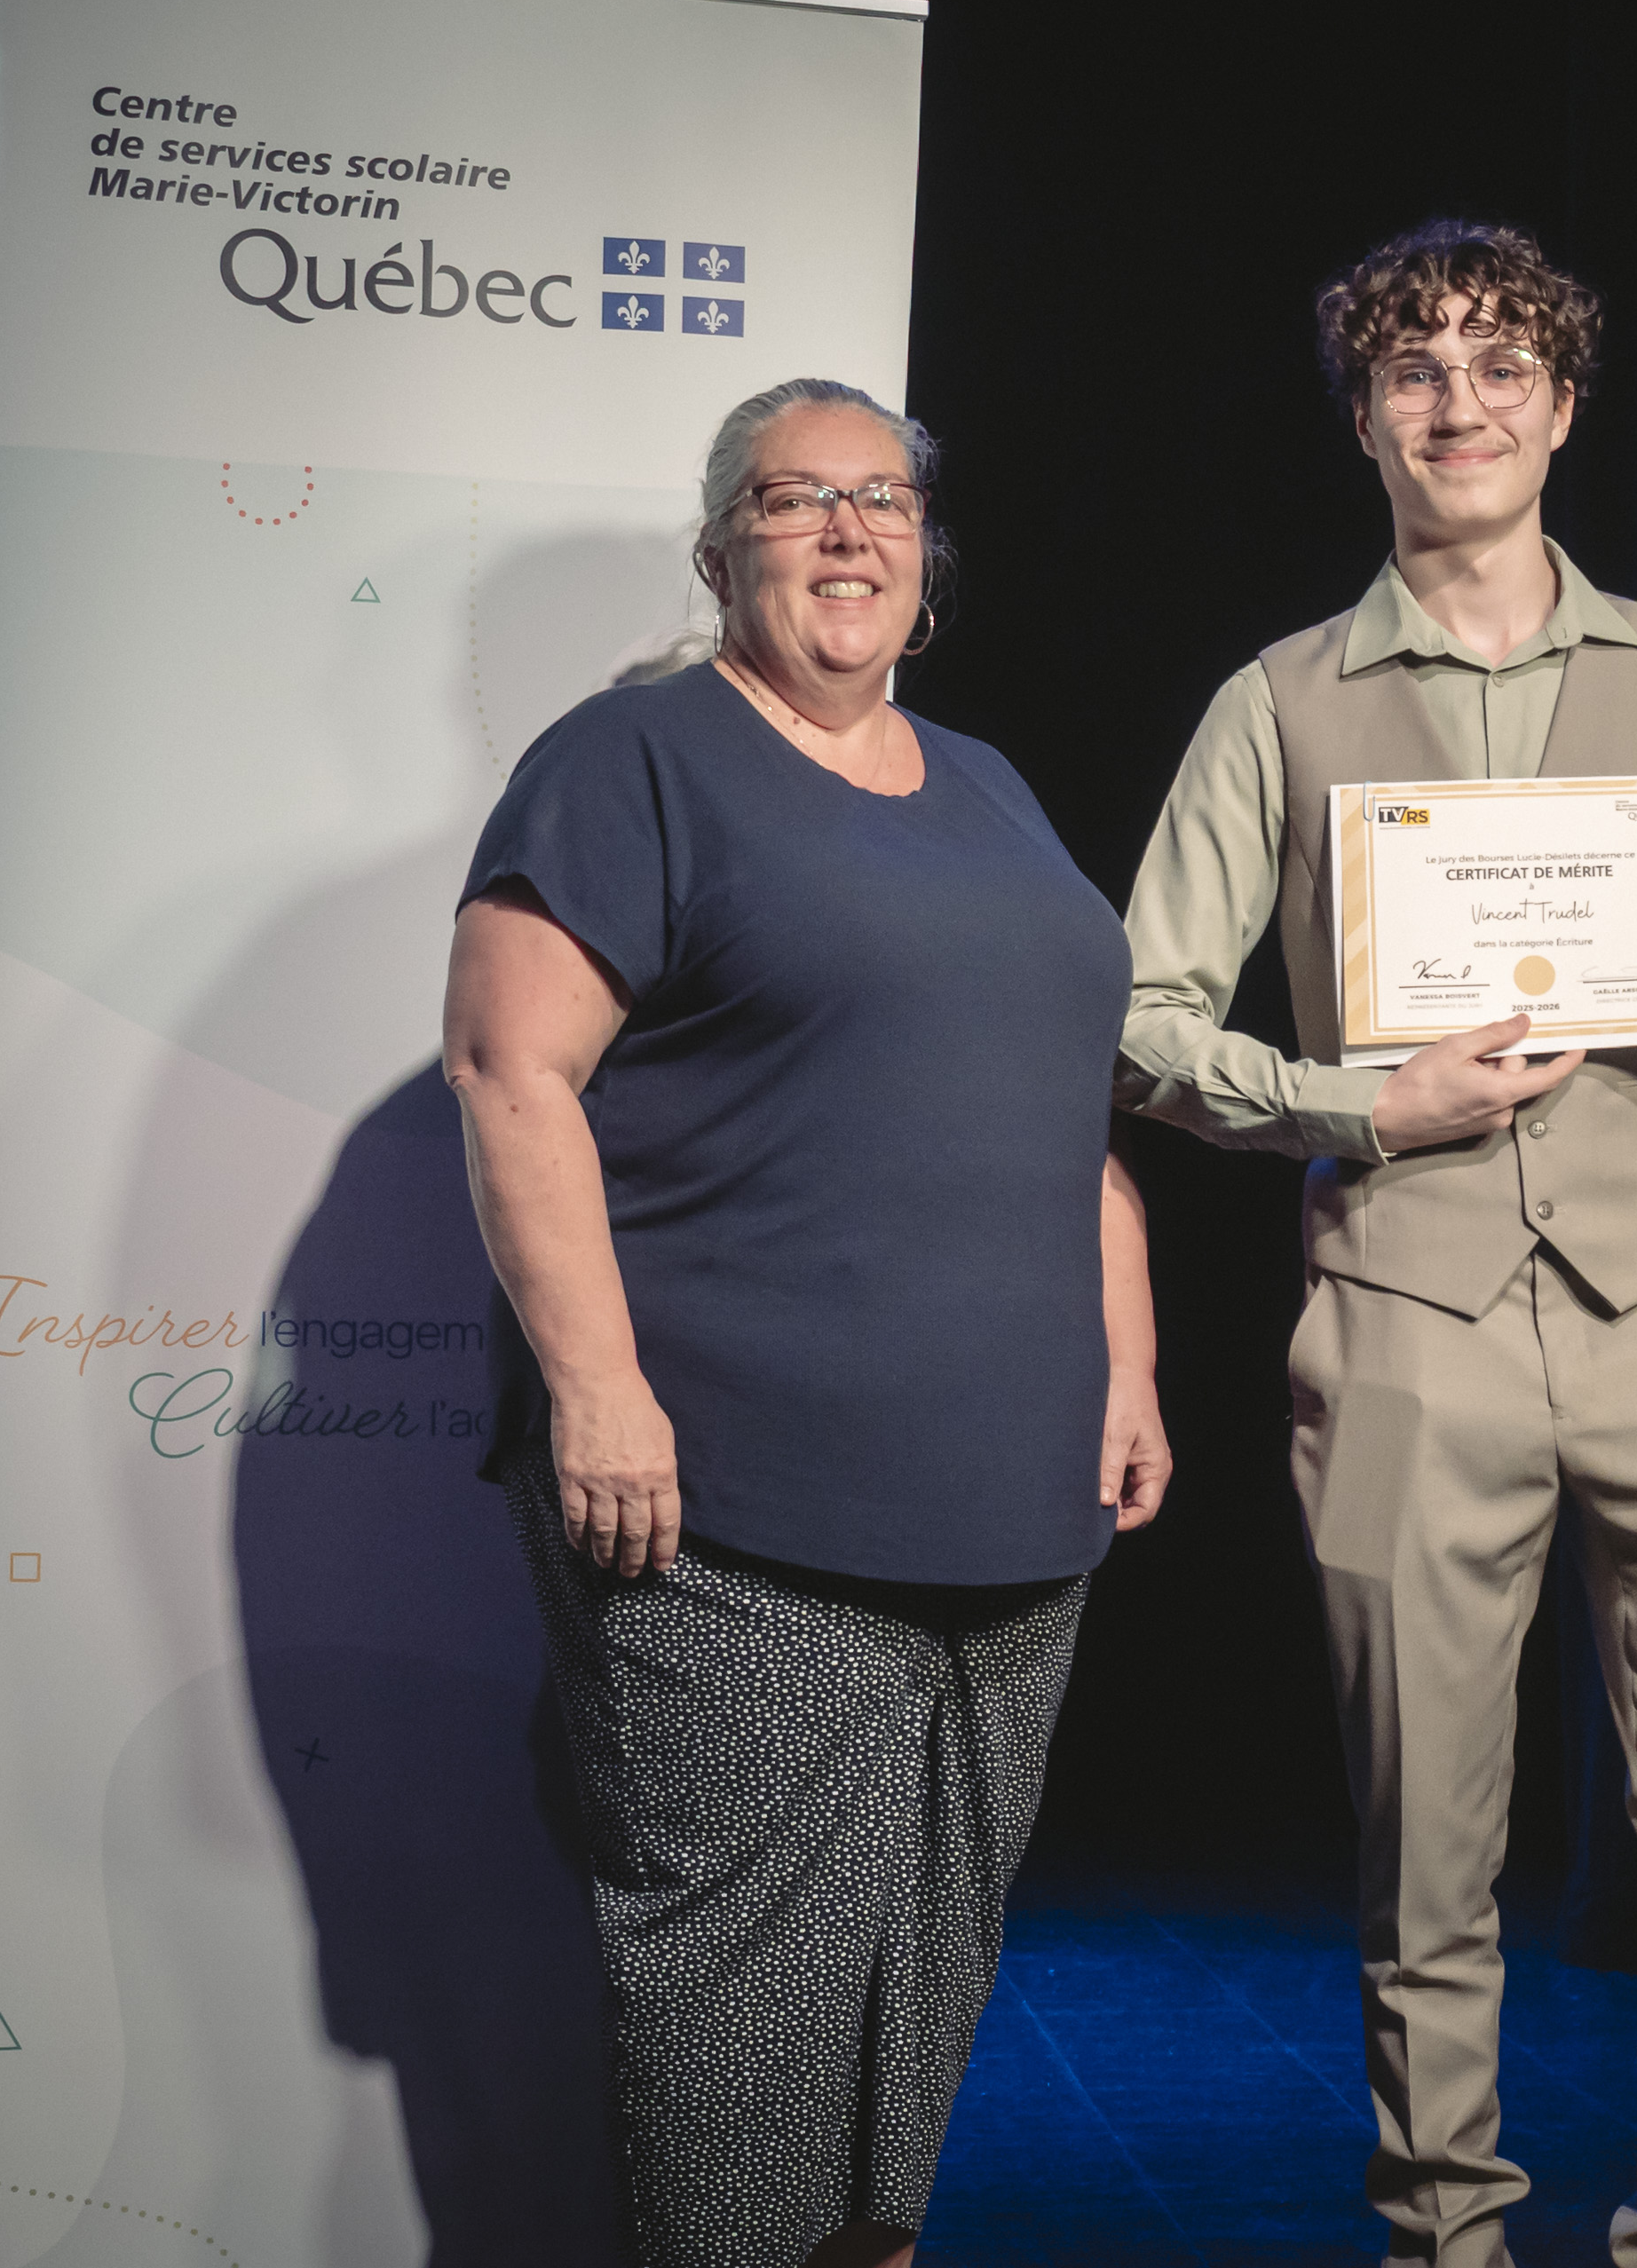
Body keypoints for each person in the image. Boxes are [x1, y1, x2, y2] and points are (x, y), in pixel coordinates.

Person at [1115, 219, 1637, 2268]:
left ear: (1563, 405)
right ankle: (1443, 2238)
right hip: (1402, 1323)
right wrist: (1358, 1100)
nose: (1459, 402)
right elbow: (1135, 1018)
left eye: (1501, 365)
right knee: (1420, 1857)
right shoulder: (1278, 700)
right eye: (1416, 369)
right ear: (1363, 419)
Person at [441, 377, 1170, 2268]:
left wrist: (1130, 1359)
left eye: (884, 500)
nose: (848, 530)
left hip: (1011, 1525)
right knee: (745, 2044)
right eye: (794, 498)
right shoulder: (631, 759)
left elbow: (1065, 1106)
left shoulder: (988, 785)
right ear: (719, 552)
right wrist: (597, 1385)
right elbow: (511, 1072)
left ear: (927, 555)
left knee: (907, 2045)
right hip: (734, 1521)